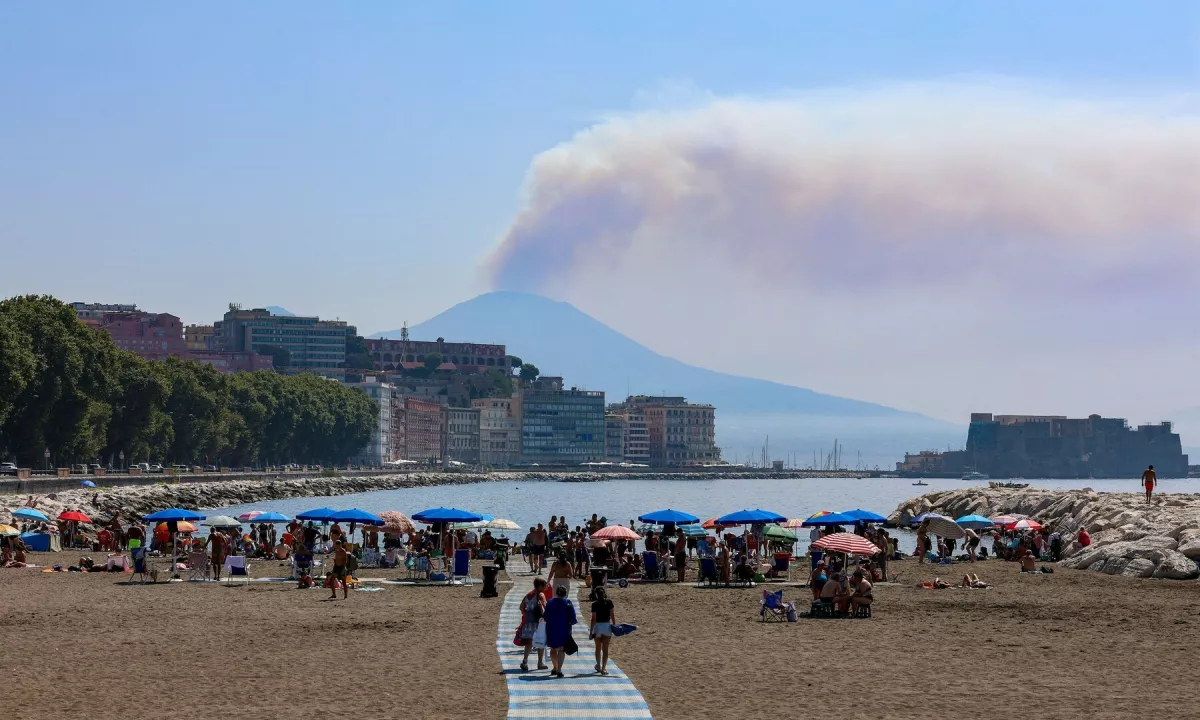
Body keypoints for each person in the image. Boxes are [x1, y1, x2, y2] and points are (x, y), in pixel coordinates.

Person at [542, 584, 578, 678]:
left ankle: (555, 667)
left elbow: (545, 617)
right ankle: (559, 669)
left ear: (556, 592)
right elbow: (573, 619)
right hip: (564, 629)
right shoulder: (568, 602)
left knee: (553, 649)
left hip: (551, 629)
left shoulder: (550, 603)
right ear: (565, 593)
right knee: (561, 649)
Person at [519, 578, 548, 672]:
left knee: (529, 643)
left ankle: (525, 661)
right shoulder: (540, 594)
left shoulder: (528, 595)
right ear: (540, 586)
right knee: (540, 641)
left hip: (528, 622)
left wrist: (526, 615)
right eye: (544, 585)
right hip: (538, 622)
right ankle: (540, 663)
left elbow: (521, 607)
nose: (546, 587)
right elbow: (545, 606)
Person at [589, 587, 616, 675]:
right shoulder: (609, 602)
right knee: (605, 648)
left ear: (596, 595)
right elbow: (612, 615)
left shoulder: (594, 604)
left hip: (598, 627)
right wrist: (614, 625)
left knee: (598, 648)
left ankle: (598, 665)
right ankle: (604, 668)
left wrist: (591, 632)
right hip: (606, 626)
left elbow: (593, 619)